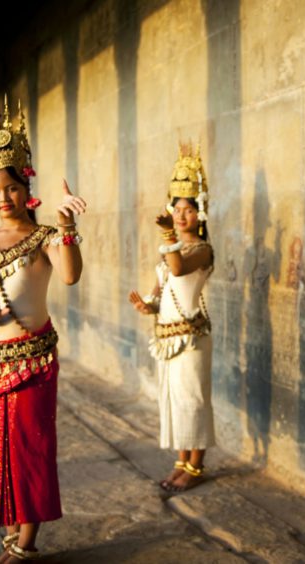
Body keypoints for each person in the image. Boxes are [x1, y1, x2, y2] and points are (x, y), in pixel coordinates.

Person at [0, 97, 87, 563]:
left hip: (33, 364)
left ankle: (26, 546)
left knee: (30, 451)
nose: (3, 198)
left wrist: (66, 228)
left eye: (11, 188)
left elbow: (69, 276)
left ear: (28, 188)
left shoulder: (44, 238)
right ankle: (11, 537)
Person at [129, 143, 215, 492]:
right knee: (174, 401)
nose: (181, 216)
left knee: (193, 400)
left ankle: (197, 466)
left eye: (188, 211)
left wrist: (168, 236)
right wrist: (148, 307)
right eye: (177, 209)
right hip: (167, 339)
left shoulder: (201, 250)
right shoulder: (171, 251)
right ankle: (181, 461)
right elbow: (162, 288)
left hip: (192, 339)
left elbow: (178, 269)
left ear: (201, 214)